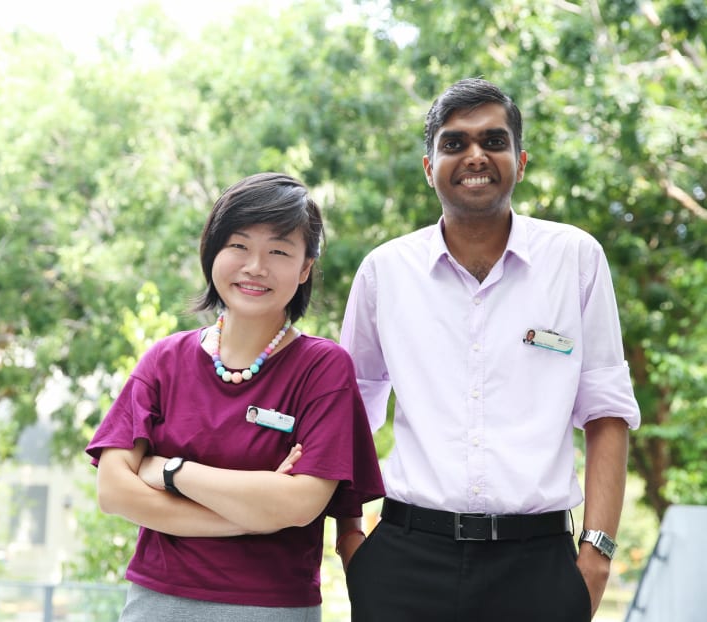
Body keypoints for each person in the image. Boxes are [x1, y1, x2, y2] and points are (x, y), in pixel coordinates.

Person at [337, 79, 641, 621]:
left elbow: (607, 411)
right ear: (429, 167)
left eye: (493, 141)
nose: (475, 155)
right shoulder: (385, 272)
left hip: (540, 570)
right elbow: (349, 412)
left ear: (519, 161)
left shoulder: (576, 259)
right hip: (404, 562)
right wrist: (353, 539)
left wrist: (596, 556)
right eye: (454, 143)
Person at [86, 172, 384, 622]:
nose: (255, 267)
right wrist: (252, 515)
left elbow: (300, 503)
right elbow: (113, 491)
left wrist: (169, 471)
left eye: (279, 251)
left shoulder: (324, 368)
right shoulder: (165, 360)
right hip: (156, 603)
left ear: (305, 268)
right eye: (239, 246)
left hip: (272, 607)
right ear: (212, 252)